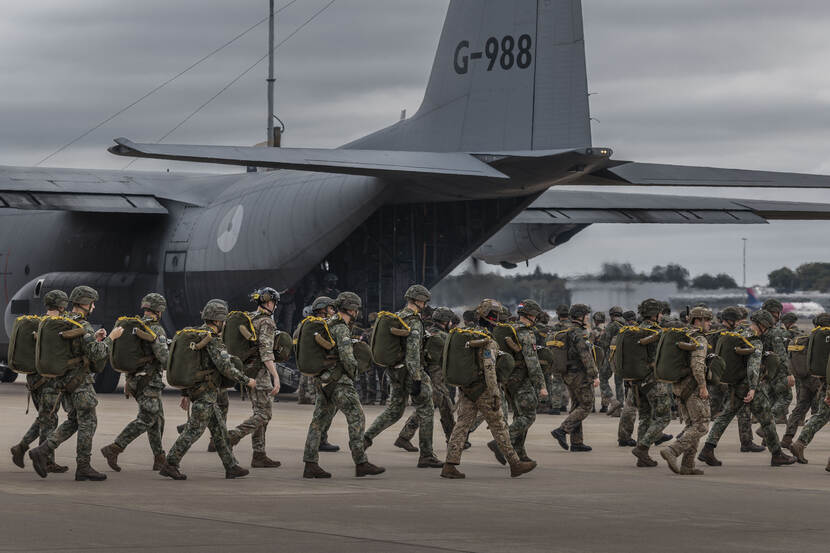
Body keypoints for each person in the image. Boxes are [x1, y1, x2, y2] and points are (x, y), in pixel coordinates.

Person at [29, 286, 122, 481]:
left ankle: (43, 450)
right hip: (80, 382)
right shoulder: (83, 325)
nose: (94, 306)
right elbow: (97, 353)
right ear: (86, 303)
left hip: (63, 381)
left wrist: (96, 339)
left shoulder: (63, 322)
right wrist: (112, 338)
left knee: (74, 420)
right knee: (89, 421)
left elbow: (78, 348)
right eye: (93, 303)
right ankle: (83, 466)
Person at [159, 300, 257, 480]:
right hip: (205, 393)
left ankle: (231, 466)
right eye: (224, 320)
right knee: (194, 431)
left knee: (219, 431)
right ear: (219, 321)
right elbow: (225, 367)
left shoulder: (197, 333)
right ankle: (170, 463)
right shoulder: (211, 339)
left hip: (204, 393)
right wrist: (247, 380)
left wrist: (186, 393)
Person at [441, 299, 537, 479]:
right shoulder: (487, 339)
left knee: (461, 426)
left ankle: (449, 465)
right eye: (498, 316)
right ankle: (515, 464)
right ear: (493, 317)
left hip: (467, 389)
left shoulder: (468, 334)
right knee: (499, 426)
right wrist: (494, 393)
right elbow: (489, 368)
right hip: (484, 390)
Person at [698, 310, 796, 467]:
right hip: (748, 385)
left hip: (733, 382)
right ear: (763, 325)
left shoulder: (736, 332)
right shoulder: (755, 340)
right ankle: (777, 454)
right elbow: (754, 366)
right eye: (767, 326)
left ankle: (707, 449)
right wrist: (752, 388)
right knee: (767, 419)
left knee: (725, 416)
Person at [302, 292, 385, 478]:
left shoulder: (329, 323)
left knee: (318, 422)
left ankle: (310, 464)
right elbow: (348, 357)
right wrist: (355, 373)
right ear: (352, 309)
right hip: (339, 382)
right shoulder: (341, 327)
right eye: (356, 309)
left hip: (323, 381)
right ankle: (361, 462)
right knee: (357, 417)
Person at [363, 285, 443, 468]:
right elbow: (413, 352)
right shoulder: (413, 321)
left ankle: (364, 440)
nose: (425, 304)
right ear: (419, 300)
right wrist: (416, 378)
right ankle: (427, 455)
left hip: (395, 371)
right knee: (427, 408)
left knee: (394, 411)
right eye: (424, 301)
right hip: (410, 372)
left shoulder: (399, 316)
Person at [100, 293, 169, 472]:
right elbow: (164, 359)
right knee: (147, 418)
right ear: (159, 311)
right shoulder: (156, 330)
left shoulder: (136, 325)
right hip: (149, 381)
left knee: (157, 419)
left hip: (135, 380)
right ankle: (114, 448)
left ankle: (159, 458)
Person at [9, 290, 70, 474]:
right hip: (48, 380)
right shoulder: (56, 326)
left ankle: (21, 447)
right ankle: (46, 460)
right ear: (61, 306)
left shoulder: (39, 323)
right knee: (49, 419)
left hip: (33, 379)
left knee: (45, 418)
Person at [226, 288, 282, 468]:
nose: (275, 305)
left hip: (247, 372)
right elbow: (266, 352)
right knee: (264, 414)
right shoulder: (267, 322)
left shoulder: (250, 318)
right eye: (274, 302)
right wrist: (275, 376)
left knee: (259, 412)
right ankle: (233, 436)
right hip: (260, 373)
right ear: (268, 303)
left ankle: (259, 454)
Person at [489, 300, 548, 464]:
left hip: (508, 380)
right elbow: (532, 362)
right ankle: (500, 443)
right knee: (529, 416)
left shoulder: (511, 329)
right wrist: (541, 385)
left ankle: (519, 453)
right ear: (531, 315)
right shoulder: (526, 333)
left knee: (519, 416)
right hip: (521, 380)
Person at [659, 307, 712, 475]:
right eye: (708, 321)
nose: (710, 324)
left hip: (679, 387)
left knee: (692, 425)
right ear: (699, 320)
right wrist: (702, 385)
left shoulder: (683, 334)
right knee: (702, 425)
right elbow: (697, 365)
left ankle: (687, 465)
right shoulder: (699, 338)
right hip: (693, 387)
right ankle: (673, 450)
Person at [397, 306, 456, 449]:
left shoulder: (429, 331)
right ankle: (454, 440)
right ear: (446, 321)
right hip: (436, 377)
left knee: (444, 406)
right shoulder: (443, 336)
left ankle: (453, 439)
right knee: (437, 406)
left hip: (430, 375)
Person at [622, 299, 672, 468]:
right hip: (653, 381)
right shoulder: (656, 332)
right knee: (664, 416)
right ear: (655, 314)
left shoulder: (634, 330)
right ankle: (642, 447)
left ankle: (642, 457)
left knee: (645, 416)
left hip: (636, 382)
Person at [550, 304, 600, 452]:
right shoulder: (578, 333)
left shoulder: (567, 330)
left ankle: (576, 442)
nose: (587, 317)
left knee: (577, 405)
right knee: (586, 405)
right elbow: (585, 356)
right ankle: (562, 430)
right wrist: (594, 374)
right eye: (586, 315)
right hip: (579, 375)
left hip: (569, 374)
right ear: (580, 316)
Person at [788, 312, 830, 465]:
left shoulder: (815, 337)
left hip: (823, 381)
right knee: (820, 416)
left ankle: (799, 443)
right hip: (828, 384)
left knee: (820, 416)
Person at [781, 313, 821, 448]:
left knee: (800, 408)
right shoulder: (823, 340)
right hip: (818, 380)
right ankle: (801, 443)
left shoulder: (808, 338)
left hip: (805, 380)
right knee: (821, 413)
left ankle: (787, 438)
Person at [760, 299, 793, 424]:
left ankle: (768, 435)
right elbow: (781, 354)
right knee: (786, 397)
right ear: (775, 313)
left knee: (771, 399)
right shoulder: (775, 332)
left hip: (765, 370)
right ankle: (767, 423)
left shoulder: (761, 329)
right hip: (778, 370)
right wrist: (789, 373)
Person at [600, 306, 625, 418]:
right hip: (622, 358)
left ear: (611, 315)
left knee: (603, 378)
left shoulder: (611, 326)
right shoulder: (627, 326)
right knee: (619, 382)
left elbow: (604, 343)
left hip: (611, 356)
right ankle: (619, 409)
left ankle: (612, 400)